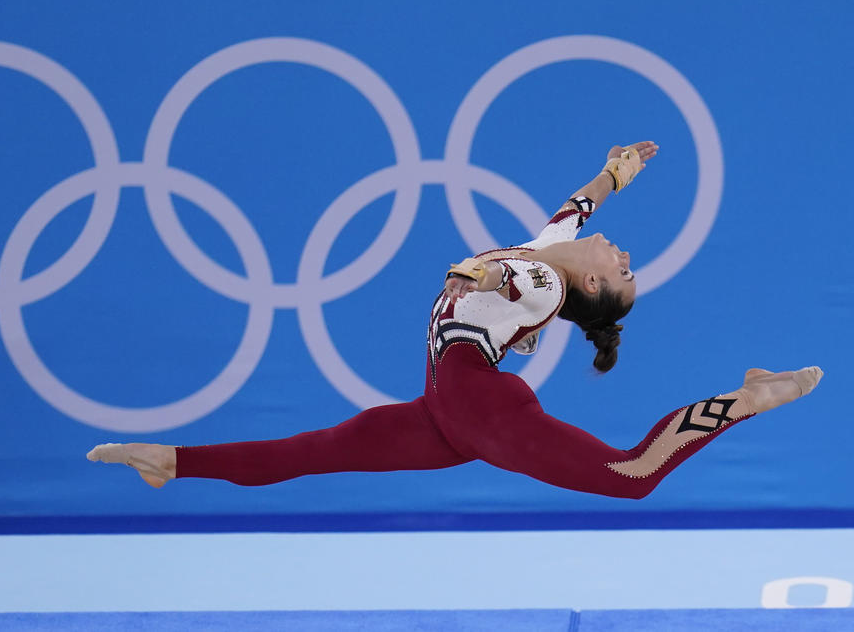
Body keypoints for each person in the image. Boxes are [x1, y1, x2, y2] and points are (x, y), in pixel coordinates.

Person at [87, 141, 823, 498]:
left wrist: (481, 273)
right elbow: (575, 211)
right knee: (312, 449)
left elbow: (514, 277)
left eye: (624, 268)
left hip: (478, 402)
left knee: (631, 473)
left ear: (591, 281)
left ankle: (749, 397)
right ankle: (172, 460)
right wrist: (616, 172)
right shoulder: (553, 252)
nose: (624, 251)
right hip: (449, 408)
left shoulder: (537, 276)